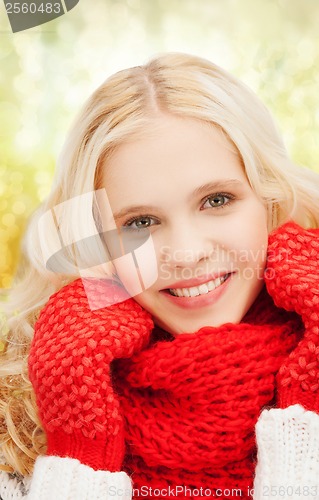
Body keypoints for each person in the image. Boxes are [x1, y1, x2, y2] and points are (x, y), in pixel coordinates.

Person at [1, 52, 319, 500]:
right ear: (98, 244)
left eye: (217, 200)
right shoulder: (20, 428)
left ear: (267, 199)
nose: (187, 254)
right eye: (140, 223)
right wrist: (80, 452)